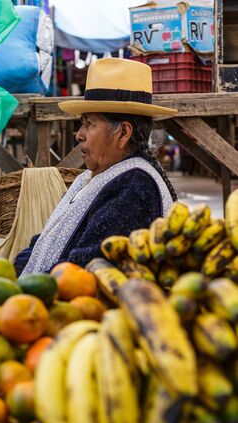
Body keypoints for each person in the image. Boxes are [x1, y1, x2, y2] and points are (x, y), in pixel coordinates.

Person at [14, 57, 178, 276]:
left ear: (123, 133)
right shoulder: (96, 176)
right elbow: (47, 238)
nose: (79, 134)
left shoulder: (134, 187)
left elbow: (86, 267)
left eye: (89, 124)